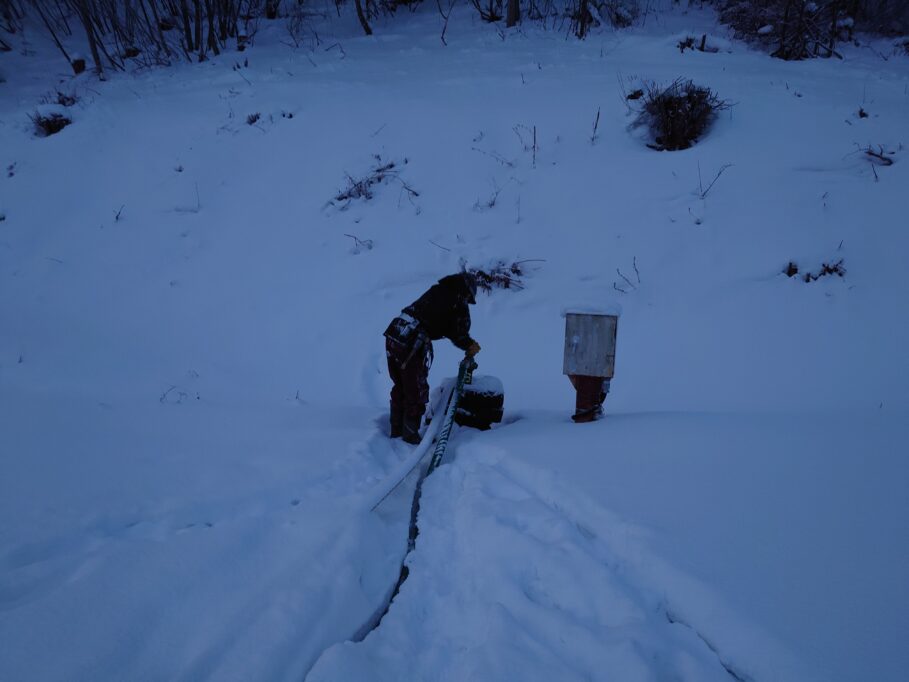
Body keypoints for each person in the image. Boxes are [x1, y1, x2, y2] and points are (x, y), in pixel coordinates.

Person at [384, 272, 481, 444]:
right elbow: (458, 332)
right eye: (468, 298)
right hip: (411, 341)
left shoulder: (439, 289)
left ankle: (396, 430)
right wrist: (469, 345)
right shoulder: (457, 300)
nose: (467, 301)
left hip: (395, 332)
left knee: (401, 385)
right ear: (466, 291)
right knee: (416, 389)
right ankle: (410, 436)